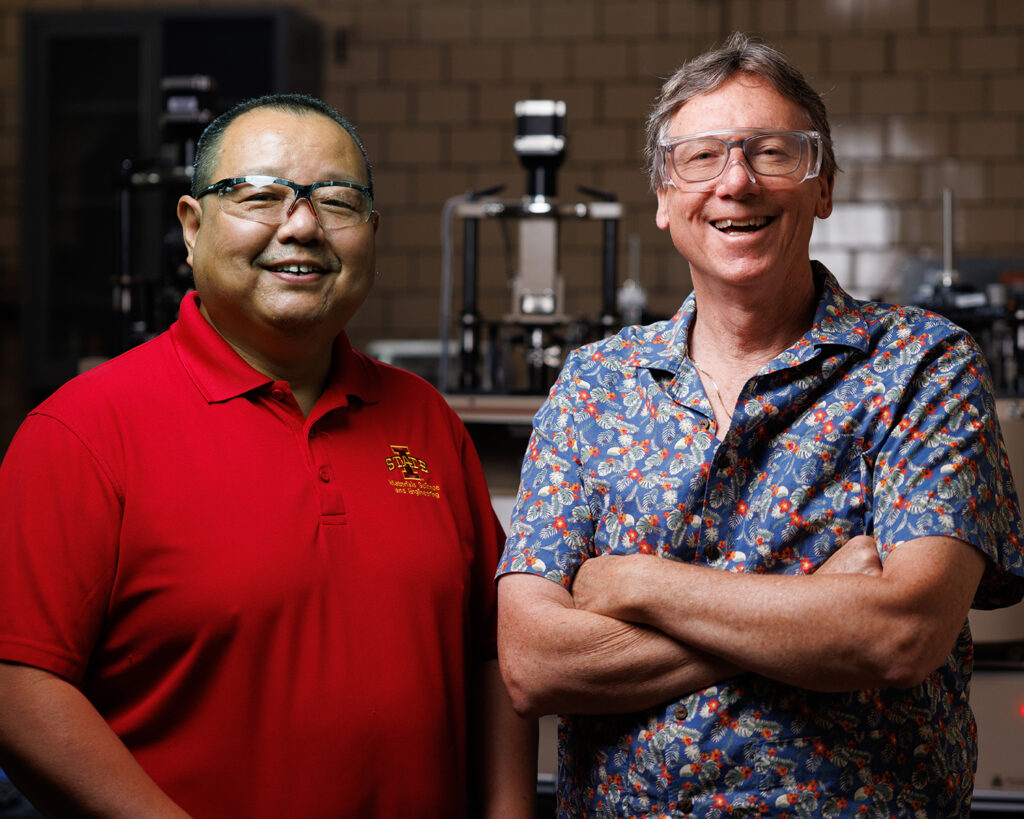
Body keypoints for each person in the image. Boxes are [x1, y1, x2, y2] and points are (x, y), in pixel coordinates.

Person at [496, 32, 1024, 818]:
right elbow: (534, 662)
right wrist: (815, 615)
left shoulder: (924, 365)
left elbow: (900, 635)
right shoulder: (596, 384)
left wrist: (634, 583)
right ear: (665, 199)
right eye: (702, 157)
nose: (736, 182)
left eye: (773, 152)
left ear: (824, 186)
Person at [0, 93, 536, 818]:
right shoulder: (83, 430)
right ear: (191, 227)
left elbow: (491, 653)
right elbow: (18, 682)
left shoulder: (427, 421)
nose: (303, 225)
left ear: (371, 232)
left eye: (337, 201)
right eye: (261, 196)